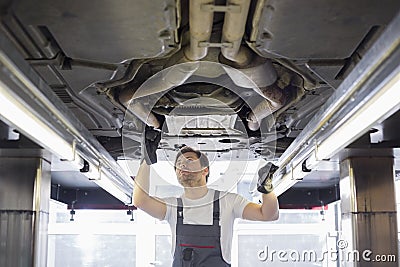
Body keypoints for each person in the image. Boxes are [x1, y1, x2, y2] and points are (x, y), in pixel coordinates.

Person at [133, 127, 279, 266]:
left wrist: (266, 189)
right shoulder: (173, 207)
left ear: (205, 170)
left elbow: (268, 215)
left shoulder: (228, 201)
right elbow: (140, 201)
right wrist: (147, 160)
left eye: (189, 160)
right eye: (178, 164)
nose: (182, 165)